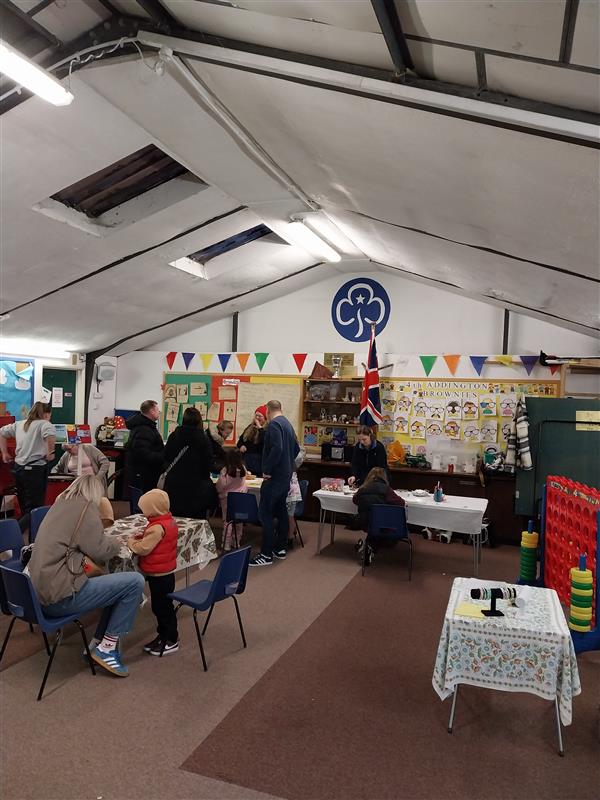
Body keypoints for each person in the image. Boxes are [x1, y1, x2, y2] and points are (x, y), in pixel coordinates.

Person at [28, 475, 145, 677]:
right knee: (134, 582)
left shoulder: (58, 505)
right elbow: (101, 551)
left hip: (38, 594)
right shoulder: (85, 509)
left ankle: (97, 643)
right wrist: (118, 541)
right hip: (60, 598)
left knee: (116, 586)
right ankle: (107, 648)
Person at [127, 489, 179, 656]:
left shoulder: (157, 528)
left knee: (162, 608)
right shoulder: (168, 521)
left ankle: (170, 639)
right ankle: (163, 635)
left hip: (159, 574)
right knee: (162, 606)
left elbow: (143, 548)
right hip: (165, 572)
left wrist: (131, 542)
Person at [250, 400, 299, 567]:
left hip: (274, 477)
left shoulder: (273, 425)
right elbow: (296, 449)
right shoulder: (287, 424)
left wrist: (267, 469)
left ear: (268, 411)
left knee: (265, 514)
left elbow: (277, 448)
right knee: (281, 511)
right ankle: (280, 548)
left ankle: (266, 554)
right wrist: (287, 463)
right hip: (285, 475)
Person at [0, 402, 56, 536]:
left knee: (26, 508)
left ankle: (31, 539)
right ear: (46, 414)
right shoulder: (45, 424)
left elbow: (1, 432)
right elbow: (50, 436)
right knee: (34, 509)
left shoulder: (20, 424)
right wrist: (51, 452)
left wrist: (4, 453)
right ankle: (9, 535)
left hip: (19, 469)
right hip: (35, 470)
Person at [163, 406, 216, 518]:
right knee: (196, 521)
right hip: (197, 487)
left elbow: (166, 457)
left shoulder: (174, 436)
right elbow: (209, 464)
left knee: (176, 520)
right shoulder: (203, 439)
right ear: (199, 420)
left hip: (175, 485)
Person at [352, 467, 405, 565]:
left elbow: (355, 500)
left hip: (365, 522)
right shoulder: (386, 490)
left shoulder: (363, 489)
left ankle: (367, 546)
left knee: (374, 528)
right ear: (384, 477)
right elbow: (401, 503)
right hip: (383, 524)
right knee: (384, 531)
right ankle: (369, 547)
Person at [126, 400, 164, 492]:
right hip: (145, 473)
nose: (159, 412)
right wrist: (162, 455)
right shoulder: (144, 429)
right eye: (157, 410)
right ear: (152, 411)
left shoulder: (145, 426)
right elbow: (143, 454)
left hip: (145, 472)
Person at [216, 449, 248, 551]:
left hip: (227, 499)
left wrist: (218, 491)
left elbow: (221, 485)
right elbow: (244, 483)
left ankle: (226, 544)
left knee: (227, 521)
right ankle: (236, 541)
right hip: (240, 497)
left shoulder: (226, 470)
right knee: (239, 521)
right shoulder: (243, 469)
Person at [237, 406, 267, 476]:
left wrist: (259, 428)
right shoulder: (250, 427)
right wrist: (241, 446)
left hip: (259, 463)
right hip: (247, 461)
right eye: (256, 415)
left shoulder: (267, 429)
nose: (257, 418)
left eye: (260, 416)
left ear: (265, 418)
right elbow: (240, 441)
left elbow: (265, 441)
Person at [285, 441, 305, 546]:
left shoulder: (291, 458)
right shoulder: (295, 456)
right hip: (292, 489)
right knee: (290, 515)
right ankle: (290, 535)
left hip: (291, 490)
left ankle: (290, 538)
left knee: (290, 515)